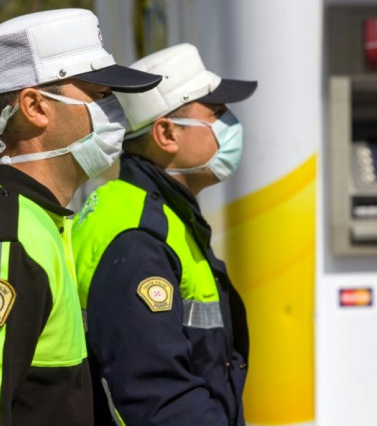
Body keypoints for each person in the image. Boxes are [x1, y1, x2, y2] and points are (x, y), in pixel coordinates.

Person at [0, 8, 161, 426]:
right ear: (35, 106)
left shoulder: (37, 220)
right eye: (99, 94)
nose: (115, 111)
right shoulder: (6, 239)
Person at [72, 43, 256, 425]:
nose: (232, 125)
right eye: (217, 114)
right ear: (167, 134)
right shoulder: (137, 236)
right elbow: (158, 398)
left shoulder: (162, 214)